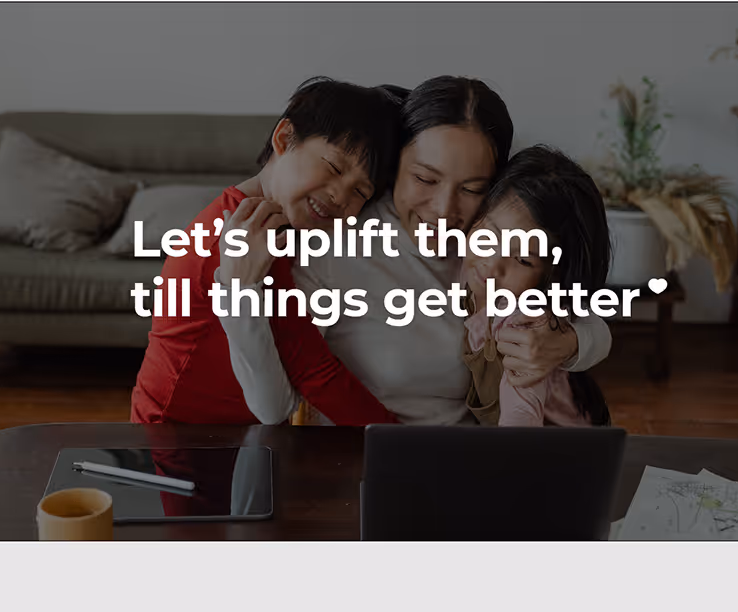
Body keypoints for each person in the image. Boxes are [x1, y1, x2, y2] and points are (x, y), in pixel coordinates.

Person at [218, 76, 613, 425]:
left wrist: (569, 343)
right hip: (359, 468)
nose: (444, 211)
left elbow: (583, 309)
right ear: (395, 167)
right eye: (425, 178)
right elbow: (273, 408)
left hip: (467, 467)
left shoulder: (490, 243)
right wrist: (238, 293)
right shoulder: (339, 241)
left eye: (473, 188)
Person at [130, 77, 404, 425]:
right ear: (284, 138)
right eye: (334, 167)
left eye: (360, 192)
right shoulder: (243, 239)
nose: (340, 196)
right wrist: (401, 443)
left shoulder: (273, 223)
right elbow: (312, 374)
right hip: (177, 441)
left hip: (213, 434)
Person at [459, 145, 612, 426]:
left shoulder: (523, 323)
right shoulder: (467, 274)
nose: (492, 265)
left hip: (564, 450)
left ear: (550, 277)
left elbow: (522, 414)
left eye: (523, 260)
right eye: (490, 236)